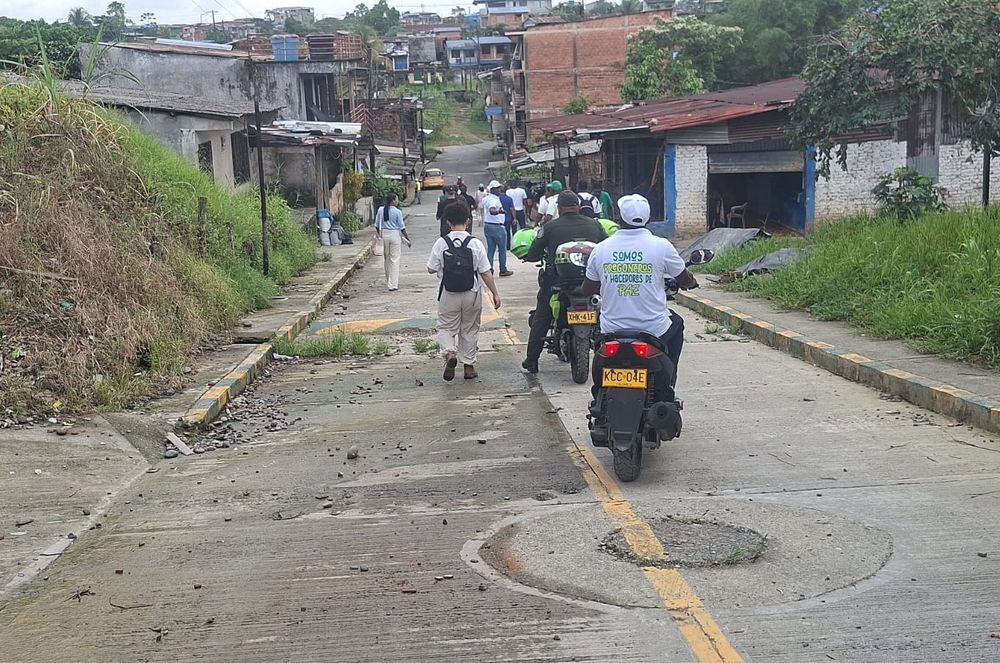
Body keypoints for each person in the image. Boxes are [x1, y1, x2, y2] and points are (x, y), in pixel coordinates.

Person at [582, 194, 698, 400]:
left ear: (618, 217)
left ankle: (601, 392)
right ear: (648, 218)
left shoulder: (601, 249)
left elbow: (588, 287)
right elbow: (684, 278)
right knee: (677, 323)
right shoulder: (661, 246)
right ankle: (668, 384)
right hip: (654, 330)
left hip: (612, 330)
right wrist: (689, 282)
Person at [519, 190, 607, 374]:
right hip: (590, 282)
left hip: (556, 281)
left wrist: (529, 257)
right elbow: (608, 247)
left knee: (542, 316)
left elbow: (534, 251)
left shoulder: (550, 227)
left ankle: (532, 361)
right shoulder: (594, 225)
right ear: (578, 206)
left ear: (559, 208)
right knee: (607, 315)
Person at [427, 203, 502, 381]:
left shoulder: (441, 243)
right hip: (472, 292)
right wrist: (495, 293)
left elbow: (431, 268)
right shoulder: (475, 243)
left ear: (447, 222)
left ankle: (449, 353)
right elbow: (485, 272)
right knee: (469, 328)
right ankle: (469, 367)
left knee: (446, 326)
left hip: (449, 292)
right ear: (468, 221)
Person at [374, 193, 411, 291]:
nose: (397, 201)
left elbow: (377, 225)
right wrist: (407, 239)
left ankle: (388, 280)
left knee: (386, 259)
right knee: (394, 260)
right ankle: (393, 284)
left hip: (384, 234)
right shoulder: (397, 212)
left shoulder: (381, 210)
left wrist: (379, 235)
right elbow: (402, 227)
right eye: (396, 199)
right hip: (395, 235)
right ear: (393, 201)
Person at [482, 180, 514, 277]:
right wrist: (499, 211)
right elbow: (492, 210)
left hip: (488, 225)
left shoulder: (487, 198)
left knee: (491, 249)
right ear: (492, 190)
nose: (499, 190)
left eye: (499, 188)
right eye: (497, 188)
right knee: (502, 249)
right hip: (497, 226)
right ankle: (503, 270)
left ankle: (489, 269)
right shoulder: (494, 200)